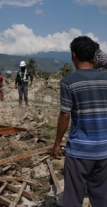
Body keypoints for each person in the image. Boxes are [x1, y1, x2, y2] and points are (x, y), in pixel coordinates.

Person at [51, 36, 107, 207]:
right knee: (101, 196)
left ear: (73, 55)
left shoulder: (69, 81)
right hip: (103, 150)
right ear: (94, 56)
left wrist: (57, 143)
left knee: (73, 196)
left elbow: (65, 115)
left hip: (80, 151)